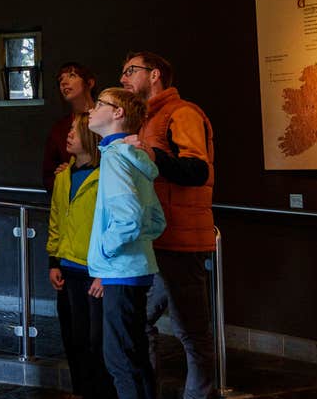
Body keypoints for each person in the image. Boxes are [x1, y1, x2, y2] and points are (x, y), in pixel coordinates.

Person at [121, 52, 216, 399]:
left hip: (181, 240)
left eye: (130, 70)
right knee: (138, 321)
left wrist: (151, 155)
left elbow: (196, 170)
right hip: (156, 239)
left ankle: (200, 394)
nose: (123, 78)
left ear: (155, 74)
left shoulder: (182, 113)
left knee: (191, 331)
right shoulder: (146, 118)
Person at [86, 87, 166, 399]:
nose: (92, 110)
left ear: (118, 113)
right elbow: (157, 220)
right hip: (137, 267)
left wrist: (104, 252)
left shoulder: (116, 160)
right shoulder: (134, 159)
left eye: (99, 104)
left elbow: (129, 218)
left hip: (120, 270)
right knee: (133, 357)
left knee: (119, 359)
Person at [47, 111, 111, 399]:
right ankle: (80, 391)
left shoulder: (105, 176)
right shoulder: (63, 175)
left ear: (90, 137)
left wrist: (105, 270)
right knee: (74, 338)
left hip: (95, 270)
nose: (68, 135)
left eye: (75, 130)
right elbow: (56, 220)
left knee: (96, 340)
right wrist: (53, 261)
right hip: (68, 266)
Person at [43, 62, 98, 192]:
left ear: (89, 83)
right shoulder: (59, 129)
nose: (64, 82)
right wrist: (64, 177)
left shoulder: (108, 118)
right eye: (60, 79)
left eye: (72, 75)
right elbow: (48, 176)